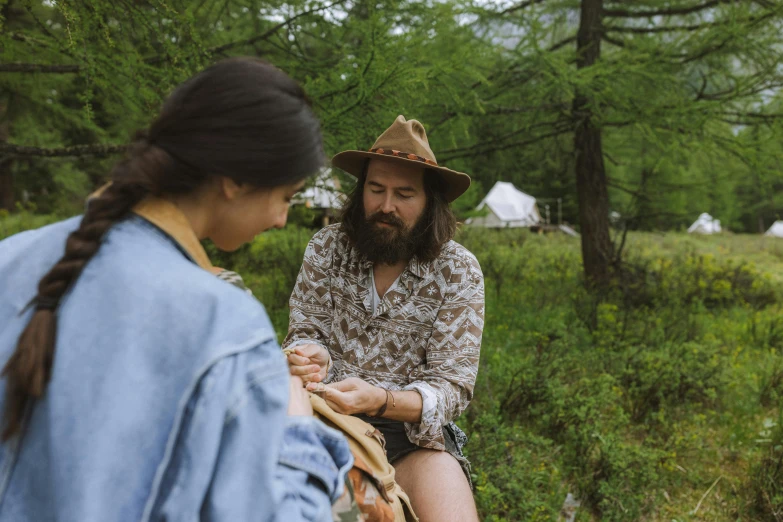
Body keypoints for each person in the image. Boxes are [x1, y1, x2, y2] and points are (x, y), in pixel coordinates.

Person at [0, 57, 352, 521]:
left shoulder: (12, 255)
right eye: (286, 196)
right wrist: (296, 422)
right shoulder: (225, 325)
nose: (281, 220)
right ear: (236, 179)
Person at [284, 116, 484, 522]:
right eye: (376, 190)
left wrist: (382, 401)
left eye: (404, 194)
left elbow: (452, 388)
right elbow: (306, 331)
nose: (386, 206)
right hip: (326, 415)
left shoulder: (458, 270)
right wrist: (310, 356)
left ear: (431, 201)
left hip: (414, 438)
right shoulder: (327, 247)